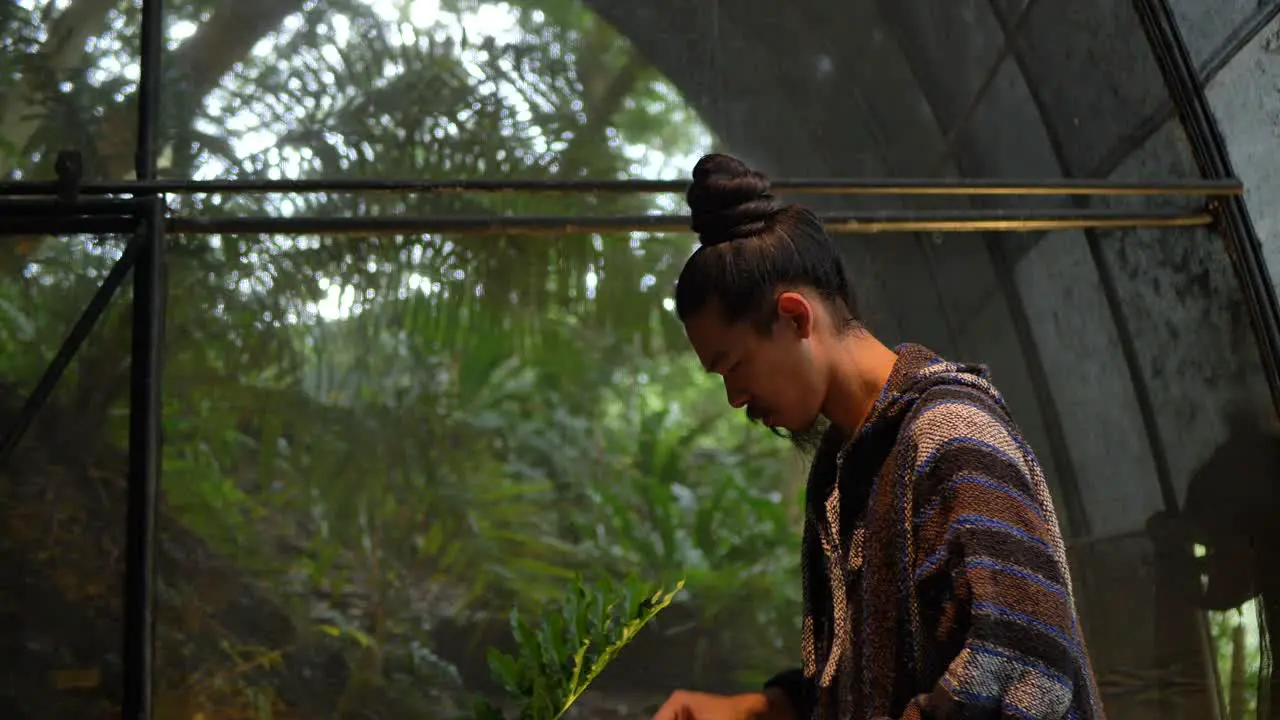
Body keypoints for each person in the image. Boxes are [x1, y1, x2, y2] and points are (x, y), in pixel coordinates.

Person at [651, 154, 1105, 720]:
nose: (734, 398)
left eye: (733, 366)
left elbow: (1026, 664)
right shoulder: (842, 470)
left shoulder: (950, 437)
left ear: (795, 318)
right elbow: (860, 685)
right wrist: (760, 709)